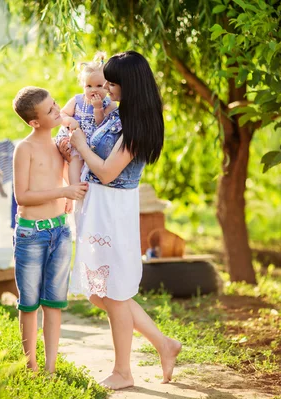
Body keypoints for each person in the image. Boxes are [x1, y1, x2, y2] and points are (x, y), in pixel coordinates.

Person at [67, 51, 183, 389]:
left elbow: (105, 171)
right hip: (98, 207)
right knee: (98, 292)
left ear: (129, 84)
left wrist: (79, 145)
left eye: (112, 82)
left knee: (113, 292)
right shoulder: (118, 114)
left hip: (113, 209)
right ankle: (164, 344)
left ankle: (123, 372)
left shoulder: (138, 124)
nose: (106, 86)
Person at [11, 86, 89, 373]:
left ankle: (51, 368)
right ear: (34, 122)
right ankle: (30, 366)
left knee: (53, 303)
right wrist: (64, 192)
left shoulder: (60, 145)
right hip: (31, 234)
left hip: (59, 232)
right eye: (50, 110)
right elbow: (23, 196)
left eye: (56, 105)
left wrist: (70, 159)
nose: (58, 111)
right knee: (29, 303)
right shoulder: (25, 149)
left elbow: (70, 178)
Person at [55, 52, 117, 185]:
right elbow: (62, 115)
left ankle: (87, 188)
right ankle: (74, 188)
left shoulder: (108, 104)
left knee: (91, 167)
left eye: (99, 86)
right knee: (75, 163)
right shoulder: (77, 100)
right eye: (88, 86)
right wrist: (70, 121)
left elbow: (102, 125)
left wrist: (98, 108)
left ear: (107, 85)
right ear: (83, 86)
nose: (93, 90)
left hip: (93, 143)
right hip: (75, 140)